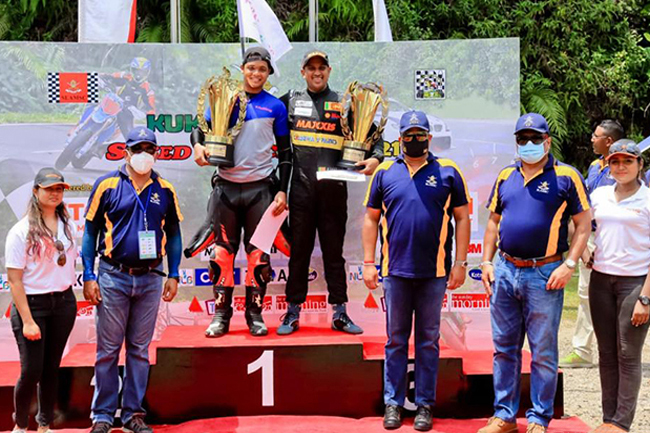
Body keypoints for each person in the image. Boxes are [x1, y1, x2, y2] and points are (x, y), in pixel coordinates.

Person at [478, 113, 591, 433]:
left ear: (548, 141)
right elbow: (492, 223)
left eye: (535, 139)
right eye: (522, 139)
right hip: (505, 269)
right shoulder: (505, 176)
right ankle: (504, 416)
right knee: (504, 348)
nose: (528, 145)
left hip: (545, 273)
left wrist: (570, 264)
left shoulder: (567, 176)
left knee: (542, 350)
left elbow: (583, 225)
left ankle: (539, 418)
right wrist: (487, 262)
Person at [362, 111, 470, 431]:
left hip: (434, 272)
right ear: (400, 138)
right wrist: (369, 262)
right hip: (394, 272)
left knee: (427, 340)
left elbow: (462, 218)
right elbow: (370, 219)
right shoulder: (384, 171)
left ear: (429, 137)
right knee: (395, 340)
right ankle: (393, 403)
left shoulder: (447, 171)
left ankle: (424, 404)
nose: (413, 140)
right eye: (408, 134)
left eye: (419, 134)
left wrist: (461, 263)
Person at [82, 126, 183, 433]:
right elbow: (90, 232)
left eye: (149, 149)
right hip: (113, 276)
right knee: (108, 350)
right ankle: (102, 415)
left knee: (139, 350)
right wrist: (89, 274)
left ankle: (133, 415)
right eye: (137, 148)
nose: (143, 155)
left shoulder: (164, 188)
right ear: (125, 152)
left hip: (152, 278)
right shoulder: (107, 185)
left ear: (156, 153)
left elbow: (175, 234)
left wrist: (175, 273)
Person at [277, 50, 384, 335]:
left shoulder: (343, 103)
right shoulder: (290, 100)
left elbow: (375, 138)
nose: (316, 72)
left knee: (334, 255)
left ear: (329, 70)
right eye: (311, 68)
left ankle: (340, 312)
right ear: (302, 72)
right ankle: (292, 312)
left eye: (321, 67)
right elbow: (263, 122)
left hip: (333, 192)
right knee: (298, 253)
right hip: (300, 191)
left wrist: (376, 158)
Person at [190, 46, 291, 338]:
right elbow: (200, 129)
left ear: (268, 72)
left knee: (259, 256)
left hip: (261, 190)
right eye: (251, 68)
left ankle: (255, 315)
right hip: (225, 188)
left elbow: (285, 153)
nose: (256, 73)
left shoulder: (275, 106)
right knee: (222, 255)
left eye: (262, 69)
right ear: (242, 70)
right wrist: (197, 145)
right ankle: (221, 316)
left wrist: (282, 191)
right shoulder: (227, 99)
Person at [5, 168, 78, 433]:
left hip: (63, 304)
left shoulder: (68, 226)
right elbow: (14, 280)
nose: (55, 193)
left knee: (51, 368)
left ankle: (44, 424)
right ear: (36, 191)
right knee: (32, 370)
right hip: (32, 306)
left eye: (59, 189)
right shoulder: (20, 230)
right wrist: (27, 320)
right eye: (49, 189)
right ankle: (21, 425)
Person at [588, 139, 650, 433]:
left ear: (640, 165)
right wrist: (585, 251)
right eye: (615, 162)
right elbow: (581, 225)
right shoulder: (599, 195)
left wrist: (646, 298)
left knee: (628, 353)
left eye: (627, 161)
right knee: (606, 353)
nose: (621, 167)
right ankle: (607, 417)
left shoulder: (648, 200)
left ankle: (621, 423)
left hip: (635, 283)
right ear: (608, 165)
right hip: (600, 280)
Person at [560, 119, 624, 368]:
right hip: (592, 236)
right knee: (586, 294)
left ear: (608, 141)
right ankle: (582, 350)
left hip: (617, 239)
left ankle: (620, 351)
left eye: (596, 136)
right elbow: (582, 209)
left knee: (620, 294)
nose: (591, 139)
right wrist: (583, 244)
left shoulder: (623, 169)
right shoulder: (594, 168)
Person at [99, 57, 156, 139]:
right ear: (131, 70)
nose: (138, 74)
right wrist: (100, 78)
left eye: (142, 72)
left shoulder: (147, 89)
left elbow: (150, 108)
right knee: (94, 107)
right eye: (136, 71)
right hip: (112, 103)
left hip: (127, 113)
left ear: (147, 73)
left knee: (131, 137)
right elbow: (108, 76)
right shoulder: (124, 76)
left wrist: (143, 114)